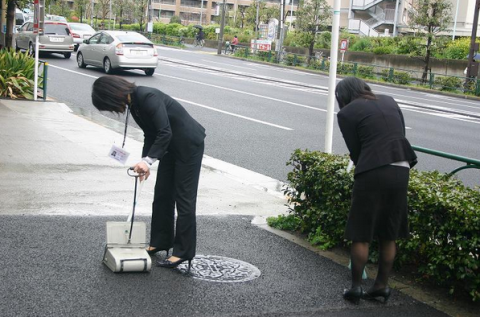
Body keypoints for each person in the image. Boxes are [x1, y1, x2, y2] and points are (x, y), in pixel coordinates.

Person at [91, 76, 206, 272]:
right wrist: (145, 161)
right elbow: (150, 134)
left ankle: (183, 251)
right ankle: (160, 241)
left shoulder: (147, 96)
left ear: (112, 95)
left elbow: (164, 131)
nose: (112, 110)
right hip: (169, 148)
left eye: (107, 105)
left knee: (184, 199)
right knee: (162, 195)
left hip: (188, 145)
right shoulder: (134, 103)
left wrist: (148, 161)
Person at [335, 77, 417, 305]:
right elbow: (398, 134)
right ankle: (381, 286)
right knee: (389, 232)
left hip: (372, 169)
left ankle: (355, 288)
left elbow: (356, 150)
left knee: (361, 232)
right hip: (401, 166)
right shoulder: (390, 100)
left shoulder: (347, 113)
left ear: (343, 96)